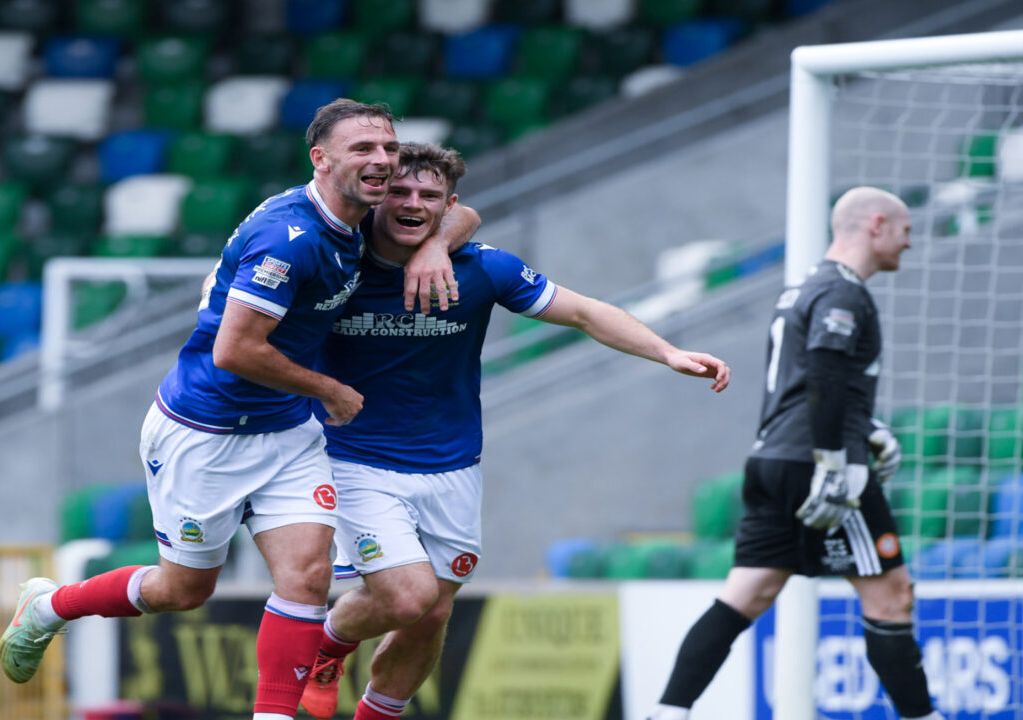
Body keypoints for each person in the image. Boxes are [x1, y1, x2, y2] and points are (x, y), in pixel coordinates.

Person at [0, 100, 477, 720]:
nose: (382, 161)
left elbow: (462, 210)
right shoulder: (287, 238)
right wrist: (328, 389)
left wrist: (436, 244)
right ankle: (51, 606)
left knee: (305, 579)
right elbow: (235, 350)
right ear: (321, 160)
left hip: (287, 434)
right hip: (205, 432)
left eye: (388, 147)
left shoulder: (358, 214)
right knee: (183, 590)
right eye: (364, 150)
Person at [297, 142, 732, 720]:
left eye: (429, 196)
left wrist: (667, 351)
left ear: (447, 206)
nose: (412, 203)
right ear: (376, 195)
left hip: (453, 467)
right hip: (356, 461)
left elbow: (583, 312)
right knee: (405, 596)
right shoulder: (334, 261)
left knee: (430, 615)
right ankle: (327, 649)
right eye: (399, 190)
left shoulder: (481, 268)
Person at [645, 187, 943, 720]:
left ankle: (668, 713)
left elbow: (805, 379)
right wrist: (835, 456)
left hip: (773, 459)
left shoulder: (802, 288)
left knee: (747, 594)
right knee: (892, 595)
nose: (910, 242)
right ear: (876, 225)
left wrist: (864, 424)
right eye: (905, 230)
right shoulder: (844, 293)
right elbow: (825, 370)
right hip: (821, 465)